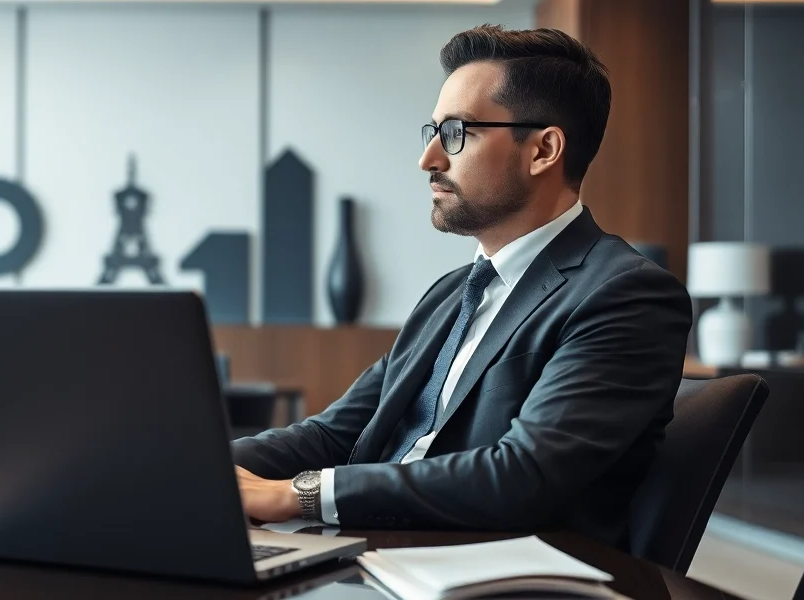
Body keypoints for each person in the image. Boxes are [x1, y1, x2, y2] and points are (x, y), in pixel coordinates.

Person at [231, 24, 692, 550]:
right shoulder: (451, 294)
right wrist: (191, 469)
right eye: (430, 132)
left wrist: (299, 495)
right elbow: (336, 433)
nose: (428, 158)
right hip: (380, 551)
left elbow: (523, 475)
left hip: (500, 570)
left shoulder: (625, 294)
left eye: (455, 134)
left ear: (543, 149)